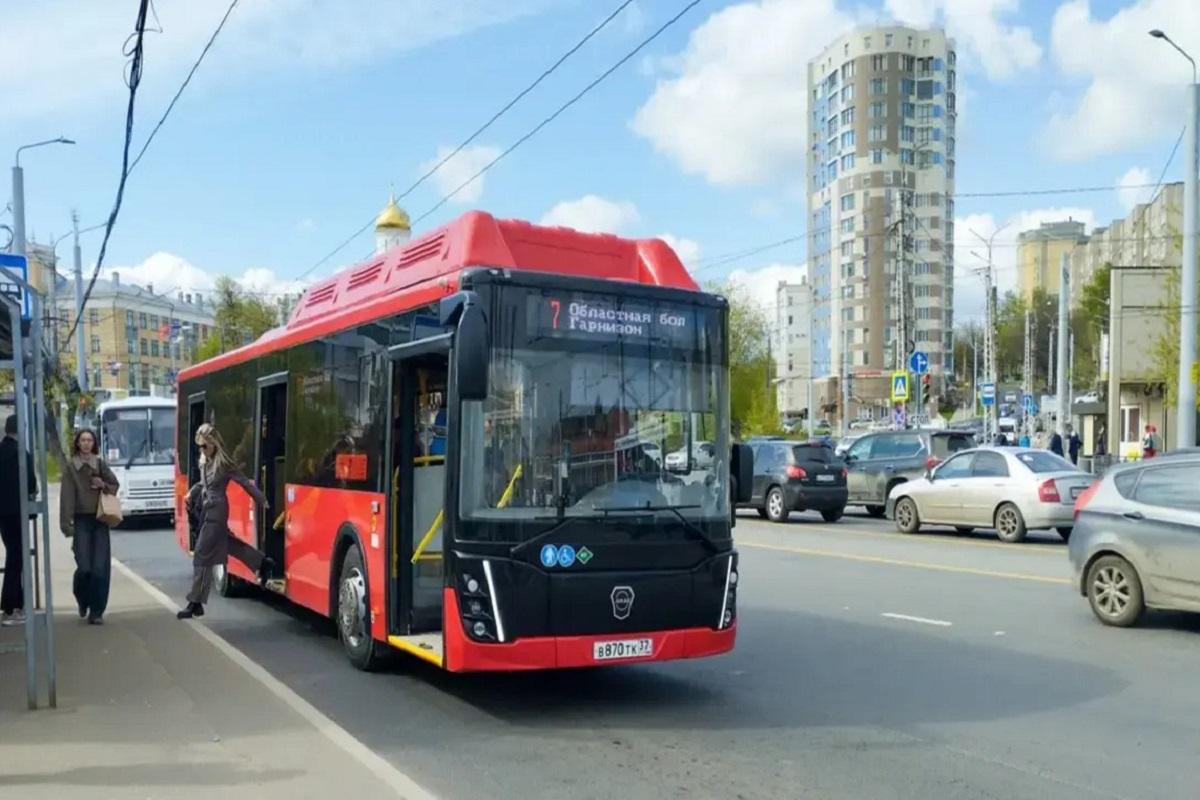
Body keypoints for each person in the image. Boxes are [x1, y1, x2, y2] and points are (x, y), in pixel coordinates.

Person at [177, 423, 274, 620]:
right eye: (199, 446)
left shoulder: (224, 463)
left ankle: (195, 602)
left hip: (218, 511)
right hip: (207, 510)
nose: (202, 449)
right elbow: (202, 483)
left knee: (202, 554)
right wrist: (191, 493)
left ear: (214, 444)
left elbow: (244, 482)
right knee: (229, 545)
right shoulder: (206, 461)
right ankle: (263, 562)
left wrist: (261, 499)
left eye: (205, 445)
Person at [60, 428, 119, 625]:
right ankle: (82, 598)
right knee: (84, 567)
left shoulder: (99, 464)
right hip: (81, 521)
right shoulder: (71, 467)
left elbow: (114, 484)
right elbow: (66, 496)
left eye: (89, 440)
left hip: (100, 519)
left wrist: (102, 484)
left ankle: (97, 611)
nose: (86, 444)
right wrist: (65, 522)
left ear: (94, 444)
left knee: (100, 568)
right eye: (83, 440)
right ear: (77, 443)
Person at [0, 415, 37, 627]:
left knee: (13, 555)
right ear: (19, 430)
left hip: (3, 514)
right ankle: (10, 607)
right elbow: (31, 484)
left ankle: (18, 603)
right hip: (18, 512)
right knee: (16, 558)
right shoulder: (22, 454)